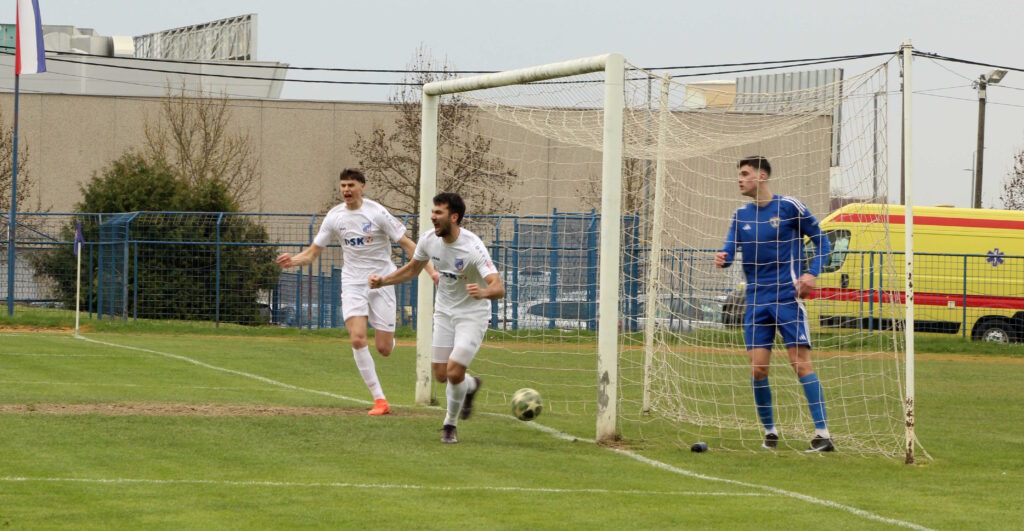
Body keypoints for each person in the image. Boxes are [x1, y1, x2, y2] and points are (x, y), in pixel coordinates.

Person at [276, 168, 438, 416]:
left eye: (351, 185)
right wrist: (293, 261)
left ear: (362, 186)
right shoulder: (334, 217)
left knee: (384, 349)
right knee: (357, 338)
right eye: (343, 185)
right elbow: (312, 253)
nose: (346, 190)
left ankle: (389, 339)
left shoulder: (377, 213)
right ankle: (380, 400)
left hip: (382, 281)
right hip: (353, 282)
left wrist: (431, 271)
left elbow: (408, 245)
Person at [714, 156, 835, 453]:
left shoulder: (789, 207)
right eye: (739, 174)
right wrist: (722, 258)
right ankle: (770, 433)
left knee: (800, 364)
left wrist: (811, 273)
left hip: (787, 298)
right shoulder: (740, 216)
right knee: (758, 369)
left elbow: (823, 242)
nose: (740, 179)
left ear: (762, 176)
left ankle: (823, 434)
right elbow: (728, 252)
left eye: (745, 173)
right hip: (756, 301)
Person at [369, 192, 504, 444]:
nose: (432, 217)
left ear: (454, 217)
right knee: (442, 374)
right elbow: (413, 269)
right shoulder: (429, 240)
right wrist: (383, 281)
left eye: (438, 212)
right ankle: (470, 386)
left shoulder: (473, 247)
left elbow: (499, 287)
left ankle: (449, 425)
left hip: (472, 315)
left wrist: (484, 292)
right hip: (443, 312)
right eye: (433, 211)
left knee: (454, 371)